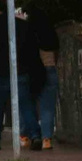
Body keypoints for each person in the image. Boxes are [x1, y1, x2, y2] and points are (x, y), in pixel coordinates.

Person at [21, 12, 60, 152]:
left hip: (32, 72)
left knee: (27, 105)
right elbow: (56, 53)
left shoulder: (29, 34)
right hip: (50, 69)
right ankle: (47, 140)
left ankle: (26, 136)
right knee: (48, 107)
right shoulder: (50, 34)